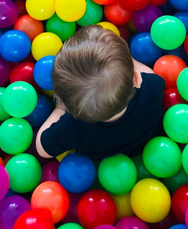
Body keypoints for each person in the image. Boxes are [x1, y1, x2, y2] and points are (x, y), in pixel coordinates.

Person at [36, 24, 165, 159]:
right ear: (136, 78)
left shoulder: (73, 128)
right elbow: (150, 73)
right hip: (152, 149)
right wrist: (128, 59)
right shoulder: (150, 90)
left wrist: (60, 109)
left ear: (70, 106)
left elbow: (42, 149)